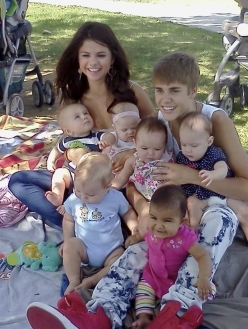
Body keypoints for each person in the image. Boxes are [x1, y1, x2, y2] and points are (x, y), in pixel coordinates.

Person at [26, 52, 248, 329]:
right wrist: (142, 211)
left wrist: (189, 176)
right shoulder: (160, 125)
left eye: (174, 91)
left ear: (193, 90)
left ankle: (174, 317)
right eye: (160, 91)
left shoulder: (213, 120)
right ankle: (97, 317)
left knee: (222, 222)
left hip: (210, 204)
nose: (164, 100)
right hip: (168, 211)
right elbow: (136, 172)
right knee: (141, 246)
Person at [8, 21, 155, 227]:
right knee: (18, 181)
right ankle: (77, 221)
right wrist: (72, 154)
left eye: (101, 55)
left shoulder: (132, 92)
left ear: (112, 58)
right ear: (77, 59)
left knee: (127, 198)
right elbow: (68, 142)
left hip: (121, 182)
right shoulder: (73, 97)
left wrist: (132, 154)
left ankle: (94, 222)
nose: (93, 62)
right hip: (81, 179)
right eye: (85, 55)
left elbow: (158, 136)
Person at [131, 184, 214, 329]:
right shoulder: (152, 230)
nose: (159, 225)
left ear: (181, 222)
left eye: (167, 220)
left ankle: (167, 320)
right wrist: (135, 237)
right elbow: (145, 235)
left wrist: (204, 277)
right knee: (143, 291)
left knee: (190, 296)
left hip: (175, 280)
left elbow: (202, 255)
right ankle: (144, 318)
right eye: (154, 217)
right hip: (153, 275)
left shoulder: (185, 238)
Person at [177, 111, 248, 251]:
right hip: (200, 194)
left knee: (244, 212)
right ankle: (193, 234)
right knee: (192, 205)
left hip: (222, 193)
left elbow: (222, 168)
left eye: (194, 145)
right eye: (184, 144)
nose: (188, 150)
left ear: (209, 141)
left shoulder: (213, 153)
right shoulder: (183, 156)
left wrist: (213, 175)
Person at [60, 152, 138, 295]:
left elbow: (127, 213)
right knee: (70, 246)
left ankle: (93, 280)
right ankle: (74, 281)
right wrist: (67, 239)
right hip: (85, 249)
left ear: (107, 186)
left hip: (111, 250)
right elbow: (68, 219)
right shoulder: (73, 200)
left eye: (90, 195)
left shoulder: (115, 198)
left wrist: (133, 228)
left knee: (122, 259)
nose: (83, 197)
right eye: (78, 190)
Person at [45, 103, 113, 213]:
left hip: (91, 176)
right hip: (71, 174)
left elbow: (110, 136)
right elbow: (57, 150)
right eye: (77, 117)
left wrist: (107, 142)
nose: (84, 116)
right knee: (59, 173)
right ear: (68, 131)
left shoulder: (95, 136)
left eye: (85, 113)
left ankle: (78, 206)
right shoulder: (67, 141)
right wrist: (51, 161)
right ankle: (58, 196)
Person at [111, 117, 173, 201]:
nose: (150, 153)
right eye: (144, 148)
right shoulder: (134, 160)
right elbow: (121, 177)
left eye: (157, 149)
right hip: (142, 198)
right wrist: (111, 188)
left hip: (166, 198)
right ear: (135, 143)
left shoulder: (167, 158)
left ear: (164, 145)